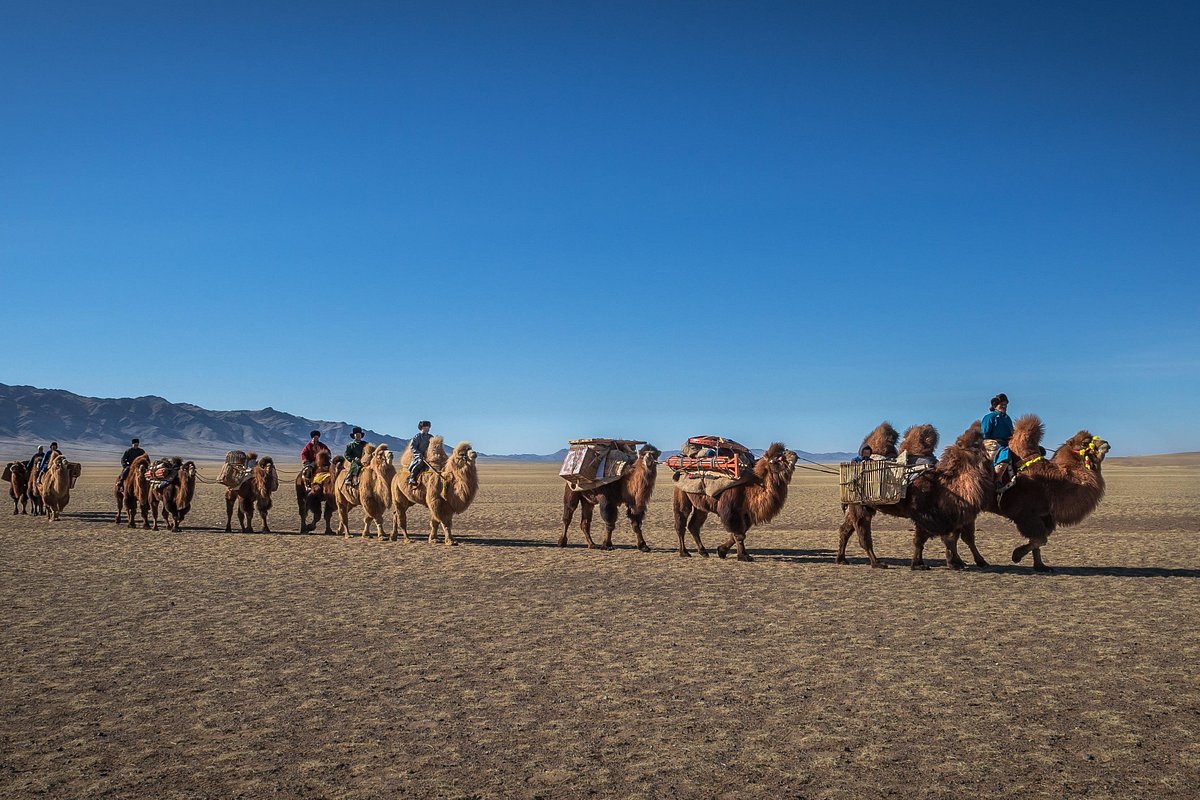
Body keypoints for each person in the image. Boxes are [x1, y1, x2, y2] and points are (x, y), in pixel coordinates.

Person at [982, 393, 1015, 483]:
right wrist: (994, 441)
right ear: (996, 406)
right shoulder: (989, 418)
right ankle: (996, 479)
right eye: (1002, 405)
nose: (1004, 407)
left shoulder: (1007, 418)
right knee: (1005, 454)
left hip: (1008, 443)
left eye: (1006, 405)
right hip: (994, 445)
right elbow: (984, 435)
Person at [407, 420, 433, 486]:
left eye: (428, 427)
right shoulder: (417, 437)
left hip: (429, 456)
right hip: (419, 455)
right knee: (419, 462)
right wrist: (419, 454)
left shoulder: (431, 437)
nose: (427, 429)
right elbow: (412, 447)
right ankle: (412, 478)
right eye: (425, 427)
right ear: (422, 428)